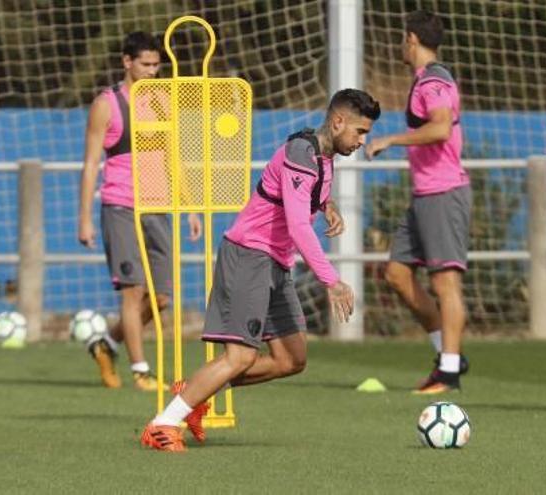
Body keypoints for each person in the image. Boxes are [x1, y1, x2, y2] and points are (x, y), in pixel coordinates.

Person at [141, 89, 380, 452]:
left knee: (292, 359)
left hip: (275, 265)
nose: (363, 140)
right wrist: (331, 281)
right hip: (249, 256)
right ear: (338, 121)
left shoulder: (322, 157)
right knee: (241, 357)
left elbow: (300, 196)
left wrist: (326, 205)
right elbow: (299, 226)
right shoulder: (302, 152)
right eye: (360, 132)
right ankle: (163, 425)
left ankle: (193, 394)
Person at [78, 31, 202, 391]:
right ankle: (141, 370)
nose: (151, 71)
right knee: (132, 292)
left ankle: (107, 343)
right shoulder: (106, 104)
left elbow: (174, 156)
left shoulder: (163, 100)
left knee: (161, 297)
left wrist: (190, 207)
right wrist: (84, 217)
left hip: (158, 205)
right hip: (120, 205)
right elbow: (89, 165)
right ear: (126, 62)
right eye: (145, 64)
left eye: (155, 65)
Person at [365, 10, 470, 394]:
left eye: (400, 38)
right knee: (396, 273)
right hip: (424, 194)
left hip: (444, 193)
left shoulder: (435, 80)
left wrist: (389, 140)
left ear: (411, 39)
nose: (399, 45)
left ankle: (449, 373)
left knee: (445, 283)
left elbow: (441, 127)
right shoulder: (423, 80)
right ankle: (448, 353)